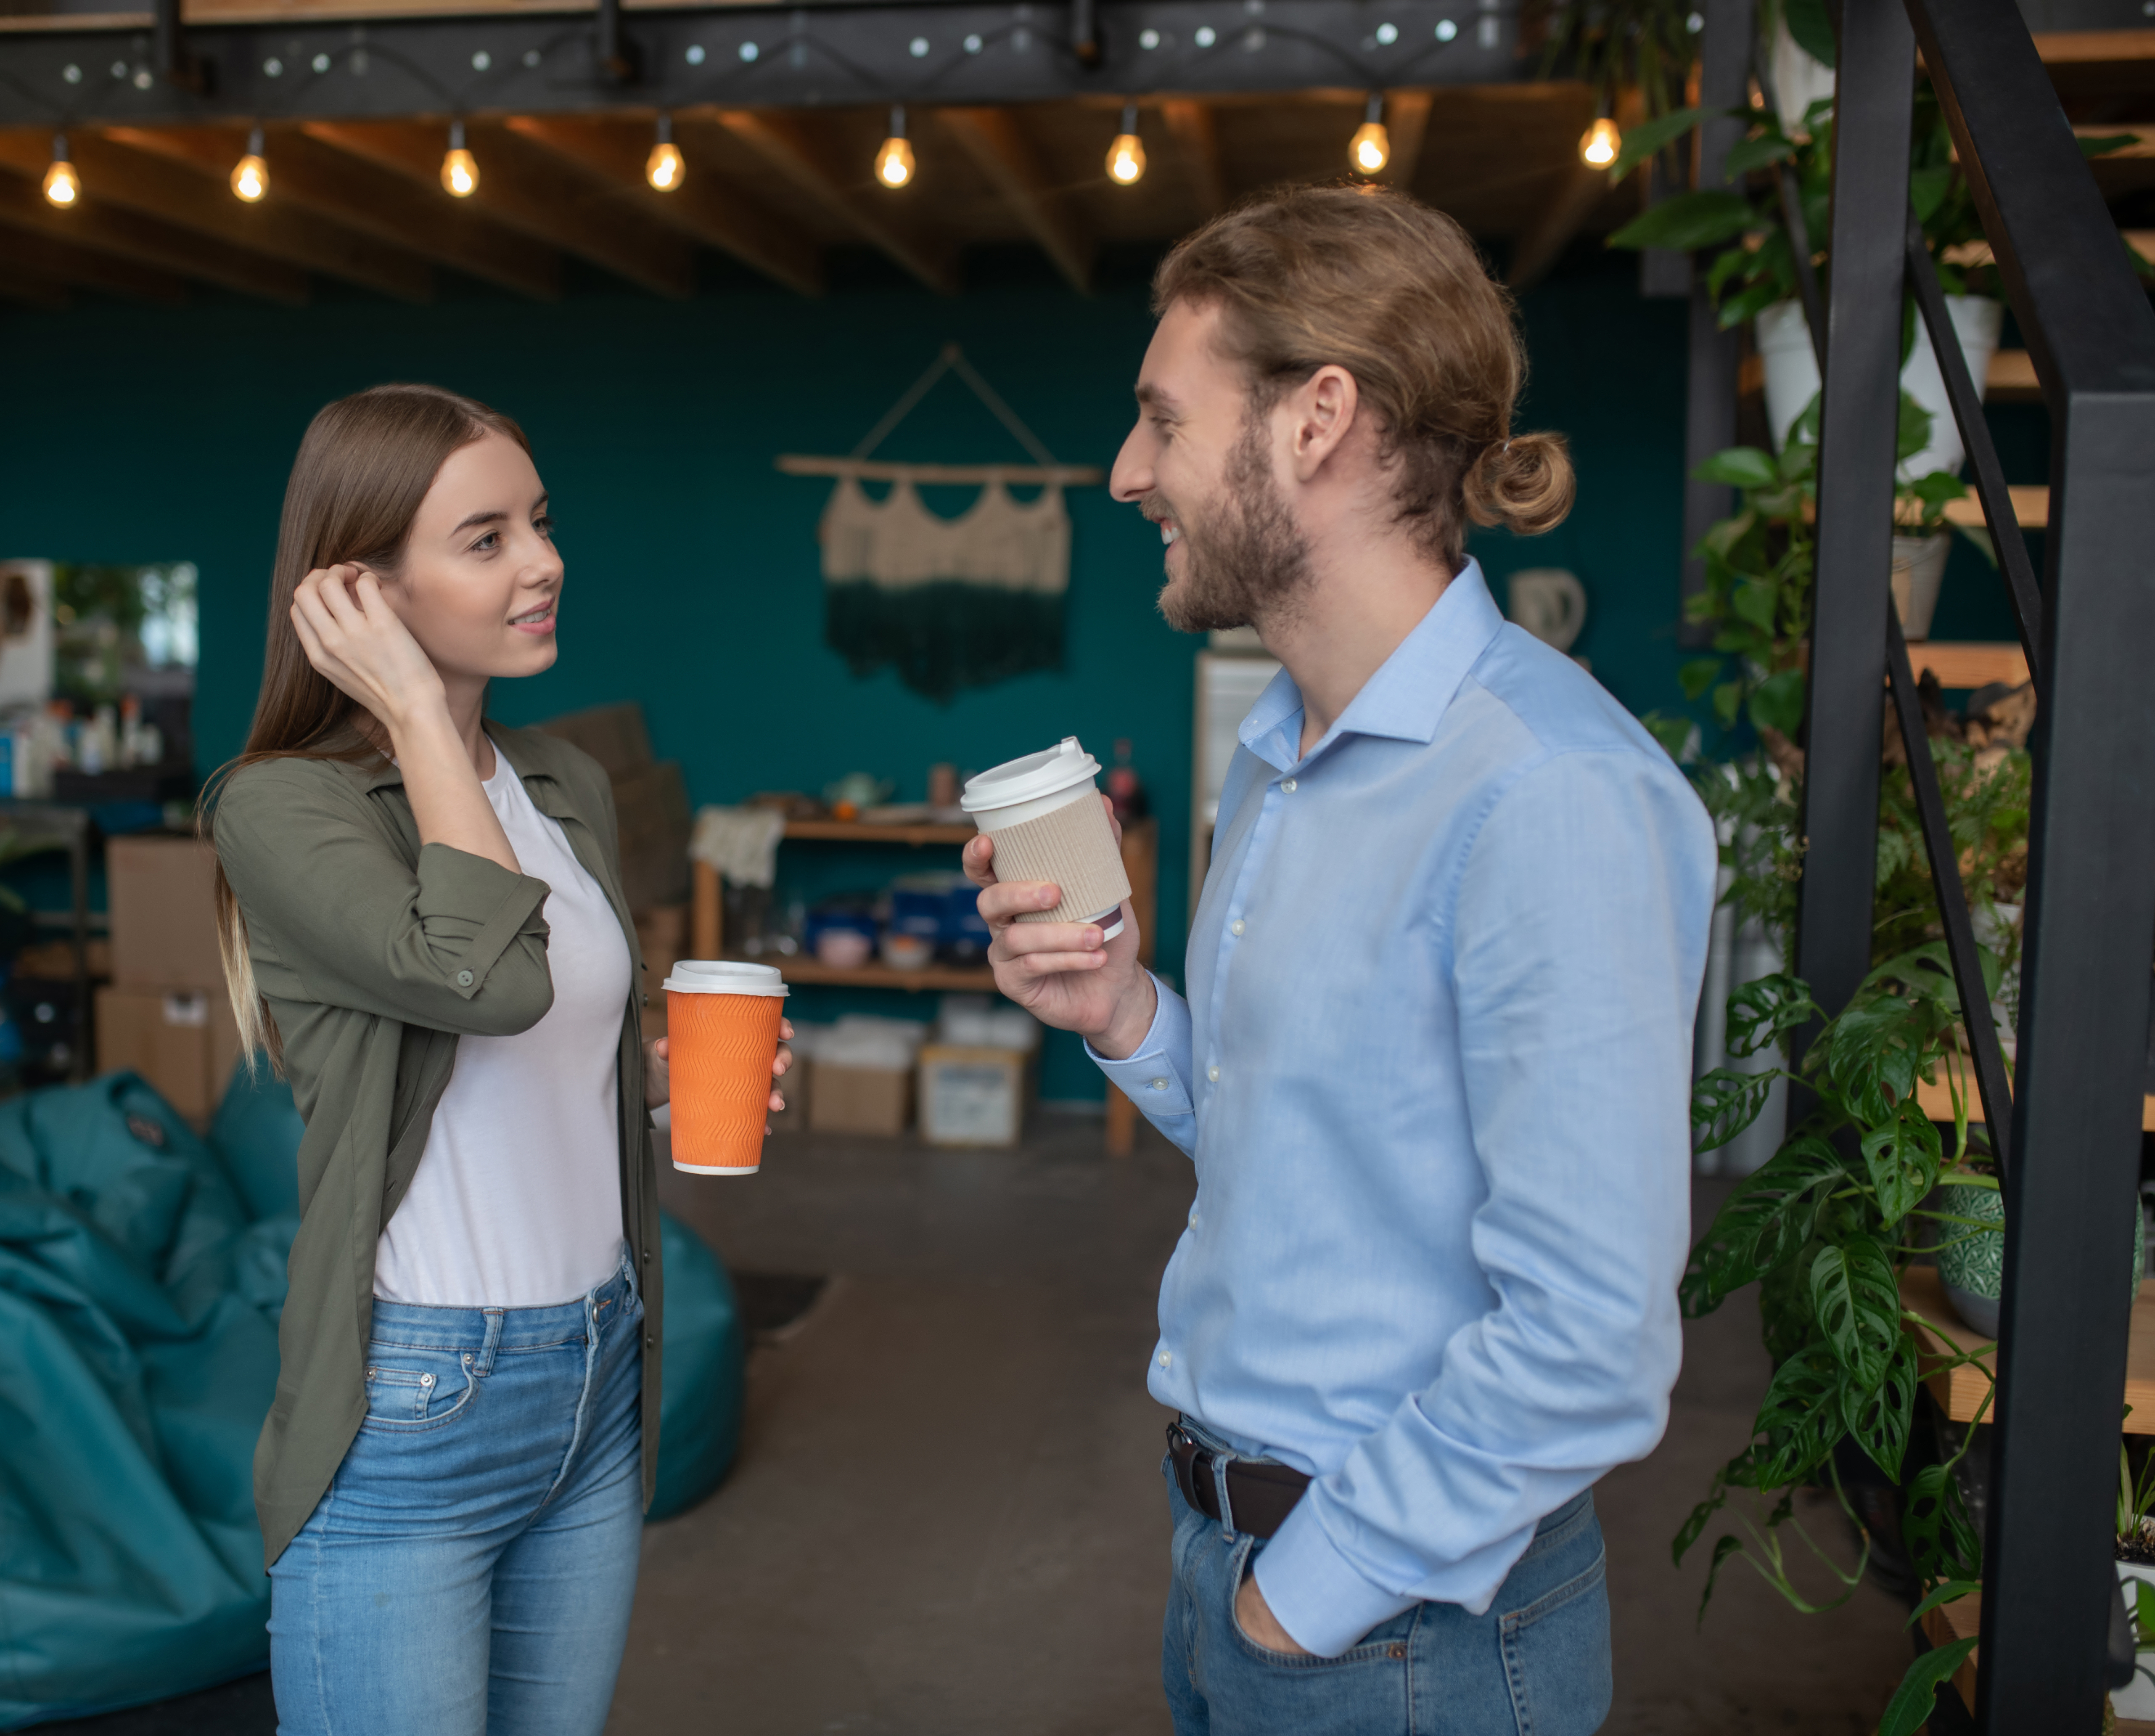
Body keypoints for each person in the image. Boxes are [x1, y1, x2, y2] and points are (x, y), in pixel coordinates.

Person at [967, 188, 1716, 1735]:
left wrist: (1301, 1602)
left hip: (1405, 1629)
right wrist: (1123, 1013)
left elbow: (1593, 1339)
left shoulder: (1549, 790)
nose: (1127, 474)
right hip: (1236, 1560)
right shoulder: (1277, 755)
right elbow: (1308, 1142)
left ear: (1319, 420)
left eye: (1162, 421)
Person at [205, 384, 789, 1736]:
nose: (543, 561)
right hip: (415, 1399)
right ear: (359, 591)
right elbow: (485, 978)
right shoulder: (280, 804)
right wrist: (415, 712)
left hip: (596, 1374)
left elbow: (552, 1033)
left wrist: (658, 1077)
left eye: (540, 521)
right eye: (485, 538)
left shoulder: (564, 780)